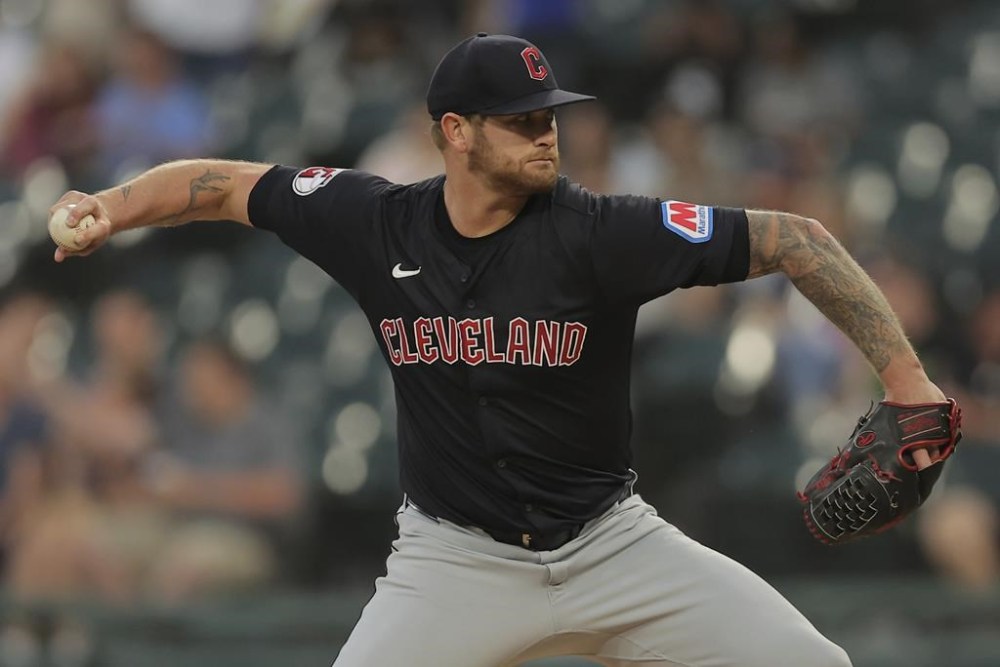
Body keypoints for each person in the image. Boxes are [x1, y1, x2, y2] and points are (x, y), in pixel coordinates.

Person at [49, 33, 953, 667]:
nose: (546, 131)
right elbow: (221, 186)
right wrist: (108, 206)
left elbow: (795, 236)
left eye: (549, 113)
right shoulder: (373, 219)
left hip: (611, 545)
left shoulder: (600, 232)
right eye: (521, 119)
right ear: (456, 131)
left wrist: (906, 378)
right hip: (455, 561)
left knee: (813, 663)